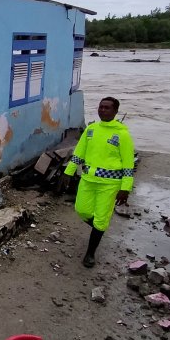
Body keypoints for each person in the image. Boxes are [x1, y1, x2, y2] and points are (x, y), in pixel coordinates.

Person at [60, 97, 134, 268]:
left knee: (100, 219)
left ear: (115, 111)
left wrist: (125, 188)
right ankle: (100, 228)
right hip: (88, 179)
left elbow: (128, 164)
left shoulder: (122, 134)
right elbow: (79, 154)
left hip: (110, 184)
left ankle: (90, 252)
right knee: (81, 210)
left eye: (107, 108)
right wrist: (68, 172)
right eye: (101, 107)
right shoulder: (91, 130)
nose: (103, 110)